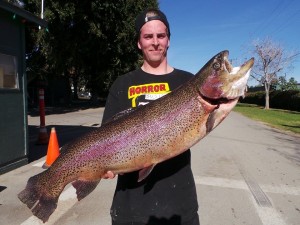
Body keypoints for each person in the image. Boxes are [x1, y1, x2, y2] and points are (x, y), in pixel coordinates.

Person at [101, 8, 200, 225]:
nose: (155, 42)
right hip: (130, 208)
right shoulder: (122, 84)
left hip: (180, 205)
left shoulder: (189, 82)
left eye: (161, 36)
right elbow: (105, 140)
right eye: (148, 36)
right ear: (139, 42)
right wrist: (102, 167)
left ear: (169, 40)